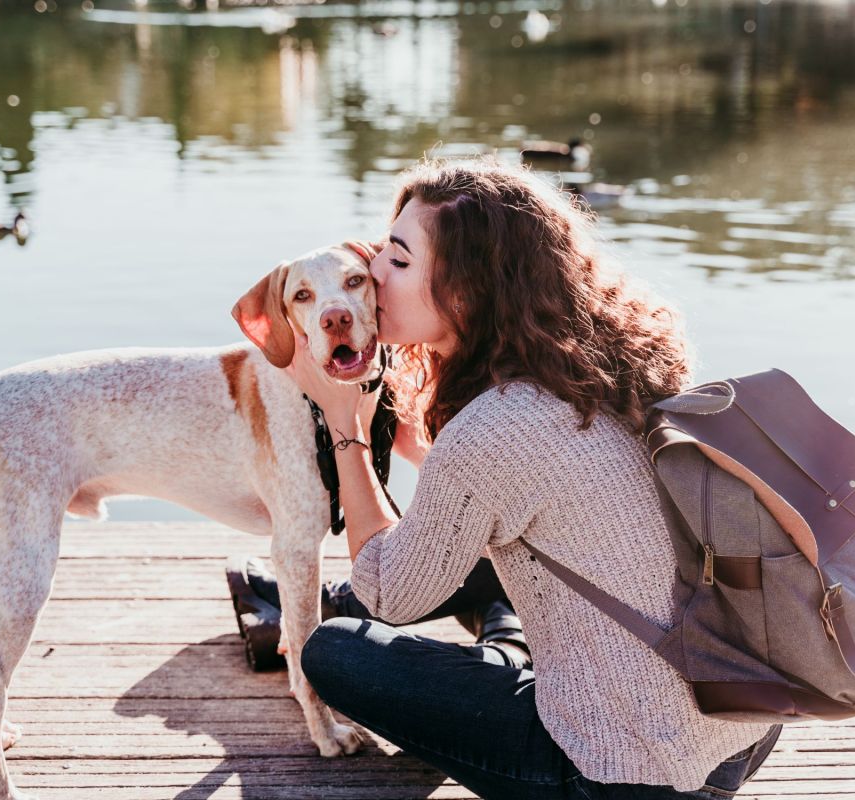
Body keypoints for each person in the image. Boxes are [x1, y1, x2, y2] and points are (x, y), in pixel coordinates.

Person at [243, 157, 781, 799]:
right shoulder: (606, 362)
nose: (374, 273)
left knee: (334, 651)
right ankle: (506, 642)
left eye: (399, 260)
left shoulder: (494, 427)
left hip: (620, 772)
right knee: (483, 551)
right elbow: (512, 493)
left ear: (467, 291)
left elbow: (389, 596)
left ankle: (502, 654)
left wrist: (346, 427)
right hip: (740, 724)